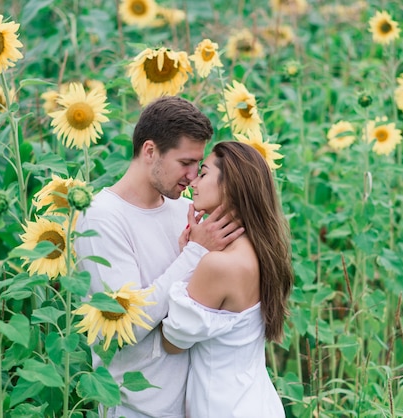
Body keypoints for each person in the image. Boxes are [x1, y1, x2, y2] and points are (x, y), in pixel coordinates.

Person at [74, 96, 244, 418]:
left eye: (199, 165)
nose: (194, 177)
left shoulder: (183, 209)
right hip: (137, 408)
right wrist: (195, 253)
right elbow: (126, 326)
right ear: (150, 150)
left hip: (196, 404)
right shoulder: (102, 218)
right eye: (185, 163)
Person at [161, 141, 294, 418]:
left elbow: (172, 342)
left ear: (230, 186)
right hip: (258, 402)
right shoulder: (263, 252)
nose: (193, 182)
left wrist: (191, 257)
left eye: (204, 173)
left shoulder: (218, 264)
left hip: (223, 408)